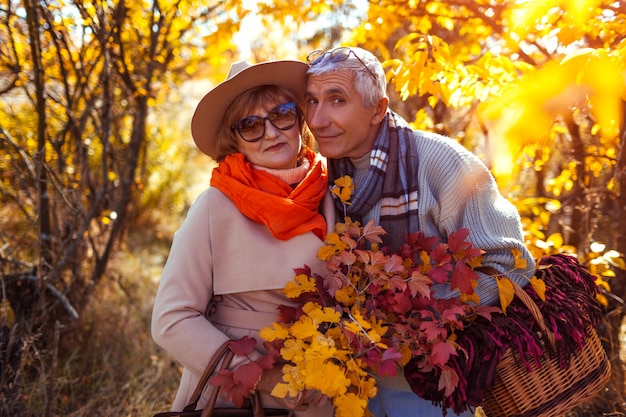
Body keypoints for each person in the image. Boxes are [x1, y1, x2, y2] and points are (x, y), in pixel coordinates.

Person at [304, 46, 536, 417]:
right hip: (347, 381)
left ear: (378, 109)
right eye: (311, 100)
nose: (316, 119)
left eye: (337, 99)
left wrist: (426, 315)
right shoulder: (318, 175)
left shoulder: (440, 164)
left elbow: (510, 264)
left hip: (427, 386)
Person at [151, 59, 335, 417]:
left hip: (318, 392)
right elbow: (171, 319)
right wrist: (262, 377)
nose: (270, 132)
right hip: (231, 398)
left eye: (281, 114)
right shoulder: (214, 206)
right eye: (249, 124)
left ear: (299, 120)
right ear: (234, 139)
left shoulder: (336, 194)